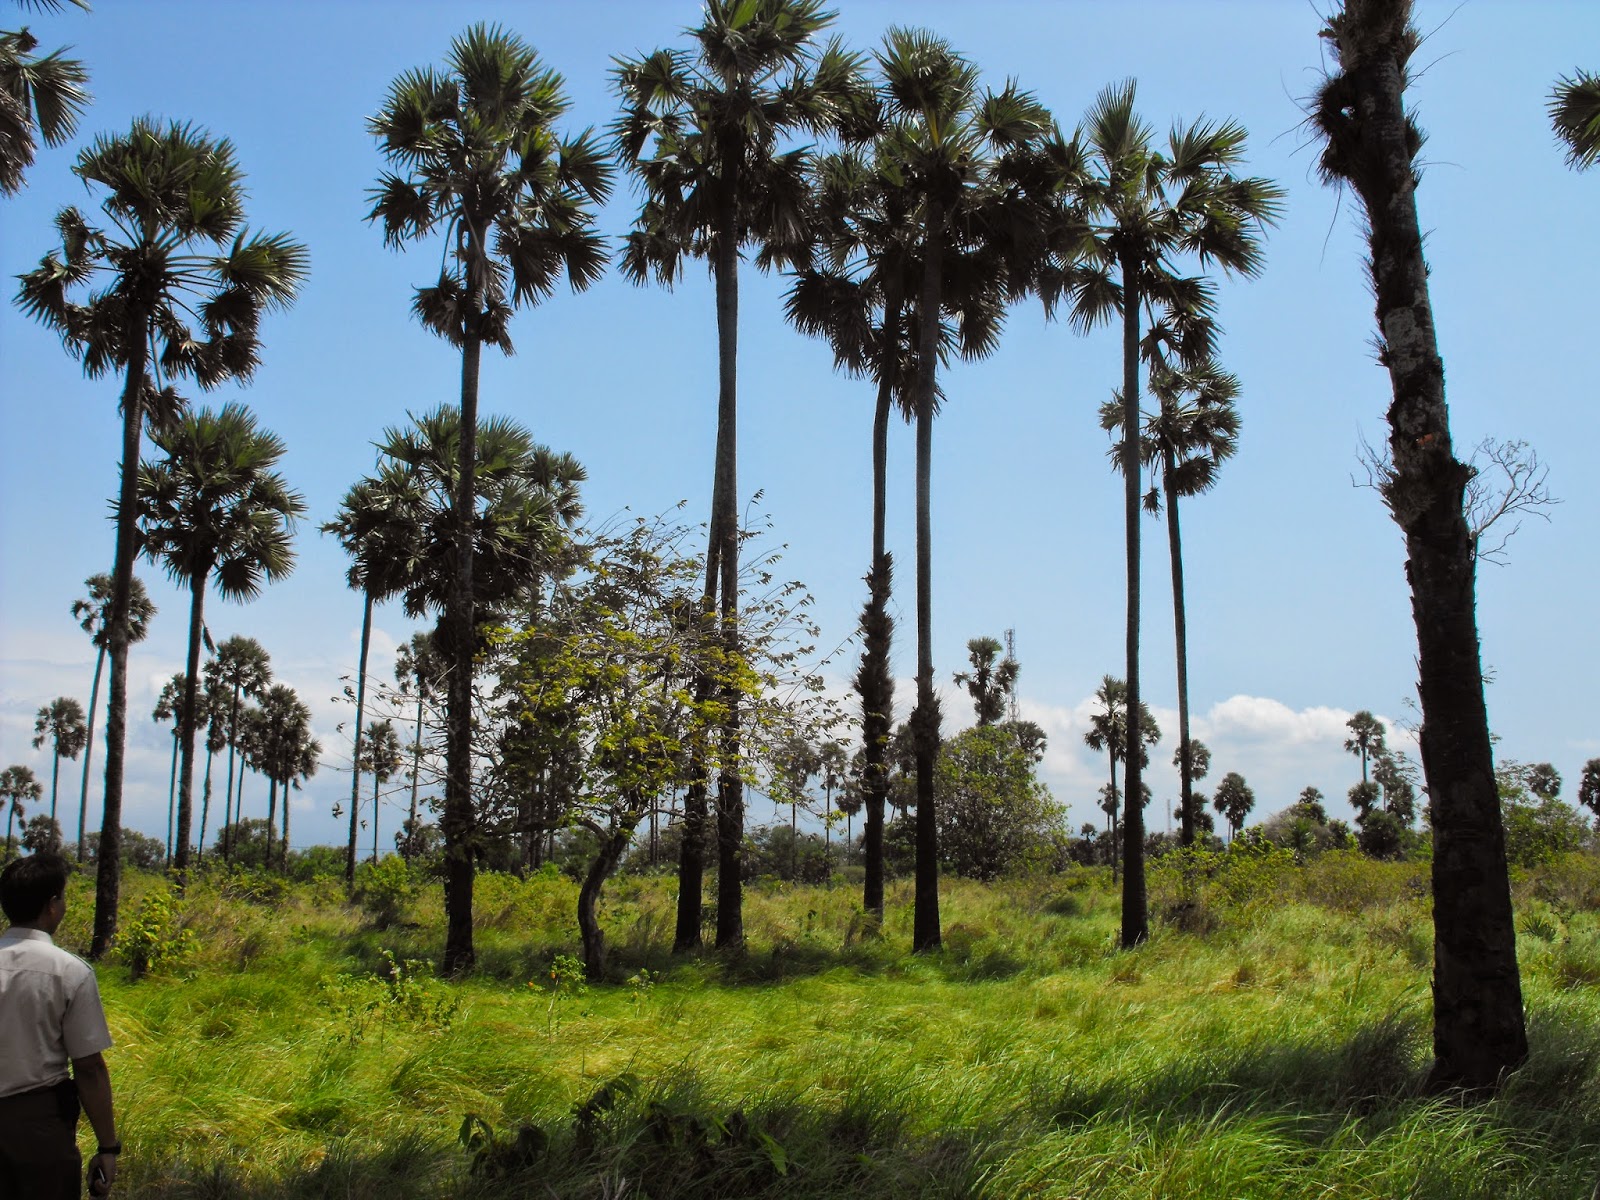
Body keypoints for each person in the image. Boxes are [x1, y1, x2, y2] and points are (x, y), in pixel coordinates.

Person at [0, 853, 118, 1197]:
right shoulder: (70, 972)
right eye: (63, 898)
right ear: (52, 905)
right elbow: (89, 1068)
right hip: (37, 1132)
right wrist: (108, 1147)